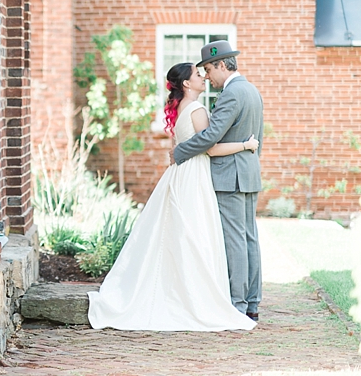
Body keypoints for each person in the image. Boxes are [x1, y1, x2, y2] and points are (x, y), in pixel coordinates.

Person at [87, 62, 257, 331]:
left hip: (181, 172)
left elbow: (185, 144)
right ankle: (195, 295)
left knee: (179, 231)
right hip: (195, 175)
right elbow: (210, 148)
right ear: (187, 84)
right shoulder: (198, 110)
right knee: (194, 234)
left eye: (204, 72)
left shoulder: (181, 108)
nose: (203, 76)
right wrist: (246, 144)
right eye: (197, 74)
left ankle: (172, 289)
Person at [173, 40, 264, 322]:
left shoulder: (231, 94)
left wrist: (179, 151)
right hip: (247, 172)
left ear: (222, 65)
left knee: (235, 240)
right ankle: (251, 302)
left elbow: (211, 137)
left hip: (230, 176)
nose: (207, 77)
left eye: (209, 70)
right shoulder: (251, 90)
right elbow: (257, 137)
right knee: (249, 237)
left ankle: (237, 305)